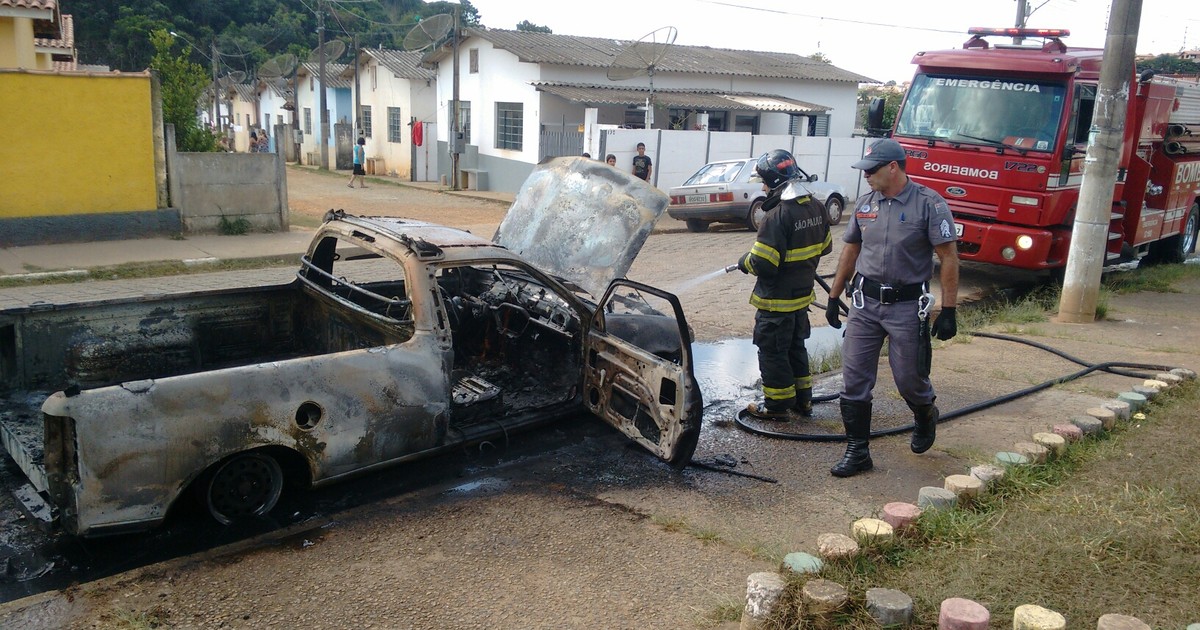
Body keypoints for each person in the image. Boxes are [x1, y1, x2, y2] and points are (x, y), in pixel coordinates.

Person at [825, 138, 960, 478]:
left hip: (906, 308)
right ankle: (857, 451)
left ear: (893, 167)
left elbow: (948, 257)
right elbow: (850, 252)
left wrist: (949, 309)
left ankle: (925, 413)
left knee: (909, 379)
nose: (866, 176)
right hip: (865, 305)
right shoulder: (866, 205)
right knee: (854, 378)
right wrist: (833, 296)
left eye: (871, 170)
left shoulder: (929, 204)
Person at [735, 149, 833, 421]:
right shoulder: (815, 205)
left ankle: (777, 407)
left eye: (765, 182)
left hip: (775, 302)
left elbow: (765, 263)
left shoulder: (776, 215)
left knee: (773, 352)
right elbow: (825, 247)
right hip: (801, 299)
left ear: (775, 181)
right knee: (795, 347)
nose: (764, 187)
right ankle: (803, 402)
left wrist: (747, 261)